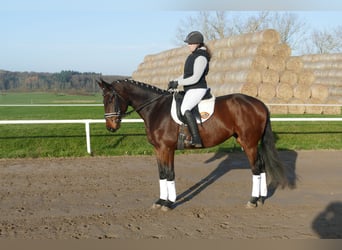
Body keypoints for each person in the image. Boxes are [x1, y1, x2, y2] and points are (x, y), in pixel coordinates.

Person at [168, 31, 211, 148]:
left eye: (191, 44)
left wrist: (179, 83)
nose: (189, 45)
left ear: (198, 44)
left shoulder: (201, 57)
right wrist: (174, 81)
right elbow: (186, 75)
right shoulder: (192, 56)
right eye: (188, 44)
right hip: (191, 89)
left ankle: (196, 139)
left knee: (185, 108)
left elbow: (195, 78)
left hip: (198, 88)